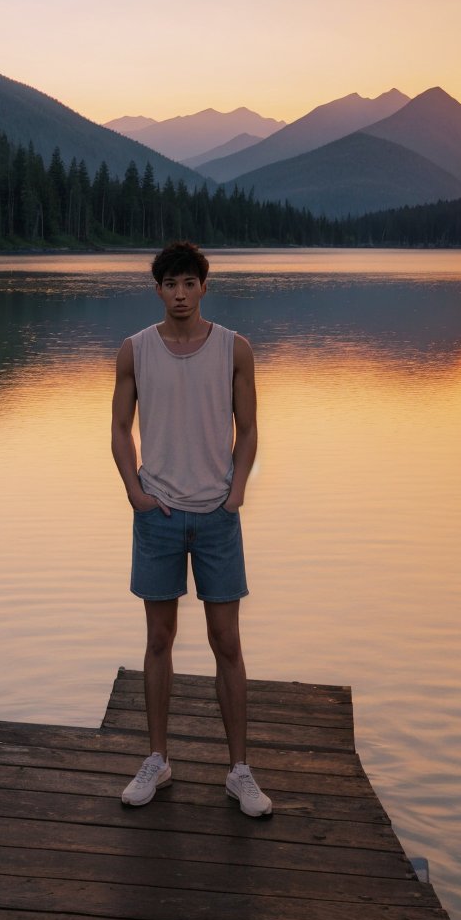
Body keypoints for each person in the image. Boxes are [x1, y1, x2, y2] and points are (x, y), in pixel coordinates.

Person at [110, 240, 272, 817]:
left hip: (216, 518)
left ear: (204, 287)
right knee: (158, 641)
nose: (179, 294)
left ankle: (240, 771)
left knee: (227, 643)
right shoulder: (135, 351)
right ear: (157, 289)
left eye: (189, 284)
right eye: (169, 284)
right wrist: (137, 493)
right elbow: (119, 430)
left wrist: (237, 492)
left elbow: (248, 430)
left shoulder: (235, 349)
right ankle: (158, 759)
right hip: (159, 515)